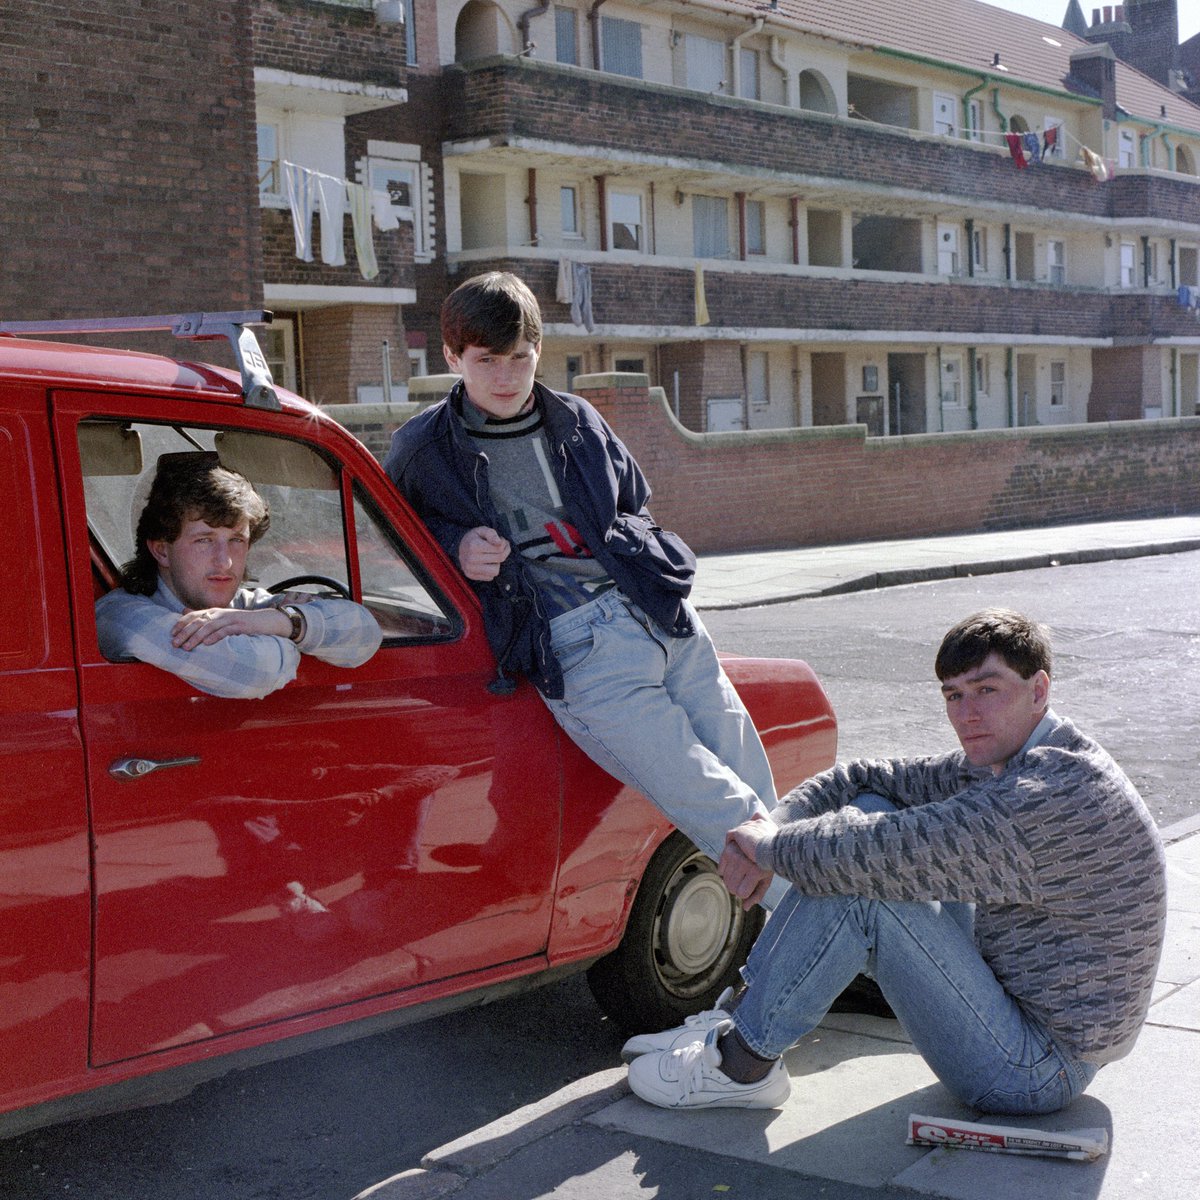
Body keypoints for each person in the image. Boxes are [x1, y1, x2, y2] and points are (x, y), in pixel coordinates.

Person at [625, 609, 1167, 1116]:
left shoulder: (1047, 792)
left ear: (1039, 689)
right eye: (954, 695)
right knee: (873, 809)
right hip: (1018, 1008)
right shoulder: (1014, 755)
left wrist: (769, 849)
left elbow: (876, 852)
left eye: (987, 690)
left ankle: (743, 1064)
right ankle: (741, 1017)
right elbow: (865, 776)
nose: (967, 714)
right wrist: (771, 827)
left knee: (863, 878)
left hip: (1037, 1067)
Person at [383, 271, 783, 899]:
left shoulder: (576, 418)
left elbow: (634, 503)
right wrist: (453, 547)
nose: (508, 376)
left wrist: (642, 557)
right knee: (723, 807)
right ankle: (847, 935)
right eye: (488, 360)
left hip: (665, 619)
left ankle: (815, 938)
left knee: (762, 793)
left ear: (539, 351)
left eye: (521, 357)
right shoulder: (421, 449)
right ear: (452, 357)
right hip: (579, 648)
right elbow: (390, 548)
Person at [96, 451, 381, 698]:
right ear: (161, 550)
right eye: (204, 540)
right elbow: (257, 671)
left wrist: (281, 621)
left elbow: (366, 633)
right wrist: (290, 638)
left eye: (237, 540)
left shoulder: (244, 606)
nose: (226, 561)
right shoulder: (121, 615)